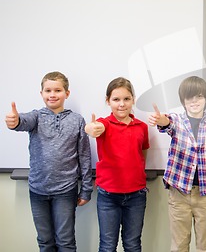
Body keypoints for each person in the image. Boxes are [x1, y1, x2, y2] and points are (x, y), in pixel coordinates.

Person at [4, 71, 93, 252]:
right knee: (45, 242)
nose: (52, 94)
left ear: (66, 94)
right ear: (41, 94)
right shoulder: (35, 117)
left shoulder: (77, 120)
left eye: (58, 90)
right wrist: (15, 121)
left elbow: (84, 156)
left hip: (65, 191)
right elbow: (22, 122)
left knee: (66, 242)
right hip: (38, 190)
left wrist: (86, 190)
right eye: (48, 90)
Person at [148, 76, 206, 252]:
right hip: (179, 194)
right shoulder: (177, 121)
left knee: (205, 247)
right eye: (189, 97)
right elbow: (166, 123)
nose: (194, 101)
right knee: (179, 246)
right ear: (183, 100)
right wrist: (162, 120)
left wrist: (205, 162)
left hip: (205, 194)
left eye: (199, 96)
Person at [85, 77, 150, 252]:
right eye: (116, 99)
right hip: (108, 196)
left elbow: (142, 153)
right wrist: (91, 128)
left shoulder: (141, 127)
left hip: (136, 195)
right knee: (107, 245)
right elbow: (92, 128)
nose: (122, 104)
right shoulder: (103, 124)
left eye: (126, 99)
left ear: (133, 100)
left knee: (132, 244)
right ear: (108, 101)